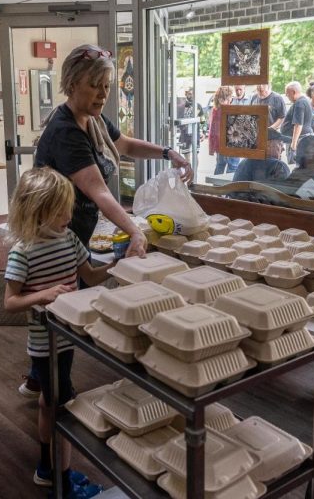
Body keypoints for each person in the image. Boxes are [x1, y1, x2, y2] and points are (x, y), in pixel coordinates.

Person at [28, 43, 192, 397]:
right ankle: (58, 391)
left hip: (73, 230)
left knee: (61, 306)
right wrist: (134, 231)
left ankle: (37, 376)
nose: (103, 93)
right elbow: (100, 193)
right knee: (64, 308)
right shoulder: (66, 131)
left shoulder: (93, 118)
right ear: (72, 83)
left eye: (106, 85)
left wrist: (167, 152)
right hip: (54, 239)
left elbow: (126, 145)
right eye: (94, 85)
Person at [4, 167, 113, 499]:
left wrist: (118, 263)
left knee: (47, 403)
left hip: (69, 338)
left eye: (69, 207)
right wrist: (45, 294)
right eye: (60, 209)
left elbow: (91, 276)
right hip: (45, 344)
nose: (69, 214)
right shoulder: (23, 251)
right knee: (63, 408)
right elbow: (10, 302)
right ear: (37, 211)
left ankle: (47, 469)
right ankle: (62, 481)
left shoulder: (69, 239)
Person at [208, 85, 240, 175]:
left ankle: (216, 186)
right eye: (230, 97)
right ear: (227, 97)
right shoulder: (229, 110)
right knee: (232, 168)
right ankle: (229, 188)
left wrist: (211, 147)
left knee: (220, 165)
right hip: (231, 144)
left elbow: (212, 131)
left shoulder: (215, 110)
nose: (231, 99)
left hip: (219, 145)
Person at [282, 81, 313, 164]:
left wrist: (293, 144)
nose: (286, 96)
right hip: (304, 138)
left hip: (299, 140)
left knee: (296, 168)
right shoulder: (304, 101)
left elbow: (298, 124)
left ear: (294, 92)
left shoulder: (299, 103)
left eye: (287, 93)